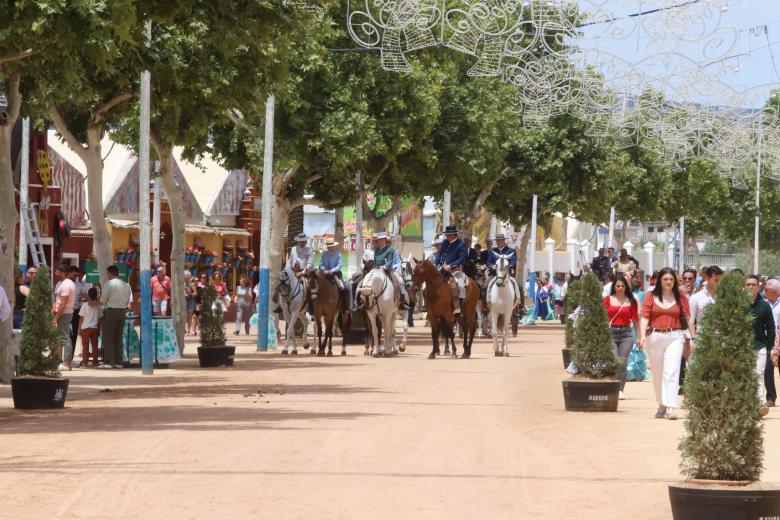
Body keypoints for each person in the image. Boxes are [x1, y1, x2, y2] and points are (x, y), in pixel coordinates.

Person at [638, 267, 695, 420]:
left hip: (675, 336)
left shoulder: (681, 297)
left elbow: (688, 318)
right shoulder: (650, 296)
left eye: (671, 279)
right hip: (654, 336)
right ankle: (661, 404)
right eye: (665, 279)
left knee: (672, 371)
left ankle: (671, 407)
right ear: (659, 281)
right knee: (658, 373)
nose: (668, 282)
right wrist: (642, 335)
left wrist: (693, 337)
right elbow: (644, 316)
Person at [604, 274, 640, 399]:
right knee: (614, 360)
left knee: (622, 362)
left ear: (626, 287)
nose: (620, 288)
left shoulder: (631, 301)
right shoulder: (607, 299)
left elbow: (635, 320)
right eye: (618, 285)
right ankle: (612, 387)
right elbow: (602, 317)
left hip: (626, 334)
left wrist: (640, 337)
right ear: (614, 286)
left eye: (622, 286)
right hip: (610, 333)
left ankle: (620, 390)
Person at [746, 274, 774, 417]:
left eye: (753, 284)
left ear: (758, 286)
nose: (751, 287)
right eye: (748, 284)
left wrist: (768, 347)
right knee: (743, 375)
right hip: (741, 347)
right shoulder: (739, 304)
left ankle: (759, 403)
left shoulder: (764, 305)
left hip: (759, 346)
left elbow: (770, 327)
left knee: (758, 374)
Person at [99, 265, 132, 369]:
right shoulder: (126, 285)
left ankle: (108, 362)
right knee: (118, 337)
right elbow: (127, 301)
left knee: (107, 337)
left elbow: (102, 300)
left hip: (111, 311)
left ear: (110, 273)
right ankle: (119, 362)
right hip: (122, 312)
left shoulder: (109, 284)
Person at [435, 226, 468, 316]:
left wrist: (451, 265)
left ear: (453, 235)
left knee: (460, 286)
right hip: (442, 268)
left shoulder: (461, 244)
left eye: (448, 234)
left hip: (455, 269)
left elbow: (462, 258)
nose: (446, 236)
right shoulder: (445, 243)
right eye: (446, 234)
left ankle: (458, 307)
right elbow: (440, 254)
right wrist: (436, 263)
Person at [373, 232, 410, 309]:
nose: (379, 241)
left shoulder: (390, 249)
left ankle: (402, 300)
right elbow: (375, 262)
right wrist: (374, 269)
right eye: (379, 240)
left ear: (384, 240)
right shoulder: (376, 250)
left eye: (381, 240)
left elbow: (390, 261)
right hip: (377, 271)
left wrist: (384, 267)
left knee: (400, 281)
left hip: (388, 270)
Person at [52, 265, 77, 370]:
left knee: (65, 337)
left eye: (57, 271)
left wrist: (56, 318)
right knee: (60, 338)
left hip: (64, 313)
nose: (55, 273)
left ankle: (66, 363)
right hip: (61, 313)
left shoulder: (66, 285)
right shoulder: (62, 284)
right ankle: (59, 362)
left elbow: (63, 304)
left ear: (63, 273)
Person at [319, 238, 350, 311]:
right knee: (315, 287)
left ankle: (345, 307)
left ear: (333, 246)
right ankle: (315, 308)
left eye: (331, 246)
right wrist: (324, 269)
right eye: (329, 246)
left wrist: (331, 271)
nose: (330, 247)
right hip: (325, 274)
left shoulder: (338, 254)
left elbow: (339, 265)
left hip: (336, 274)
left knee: (346, 289)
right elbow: (321, 264)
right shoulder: (324, 254)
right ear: (327, 246)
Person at [765, 278, 780, 407]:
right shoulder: (764, 304)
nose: (764, 291)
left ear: (775, 291)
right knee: (767, 370)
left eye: (766, 289)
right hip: (769, 339)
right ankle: (771, 397)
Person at [78, 287, 102, 368]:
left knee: (85, 345)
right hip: (95, 328)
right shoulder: (98, 307)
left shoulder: (84, 305)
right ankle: (95, 362)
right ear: (97, 295)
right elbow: (99, 319)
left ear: (88, 295)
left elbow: (81, 318)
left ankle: (85, 362)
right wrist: (99, 328)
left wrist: (79, 328)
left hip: (85, 328)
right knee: (95, 346)